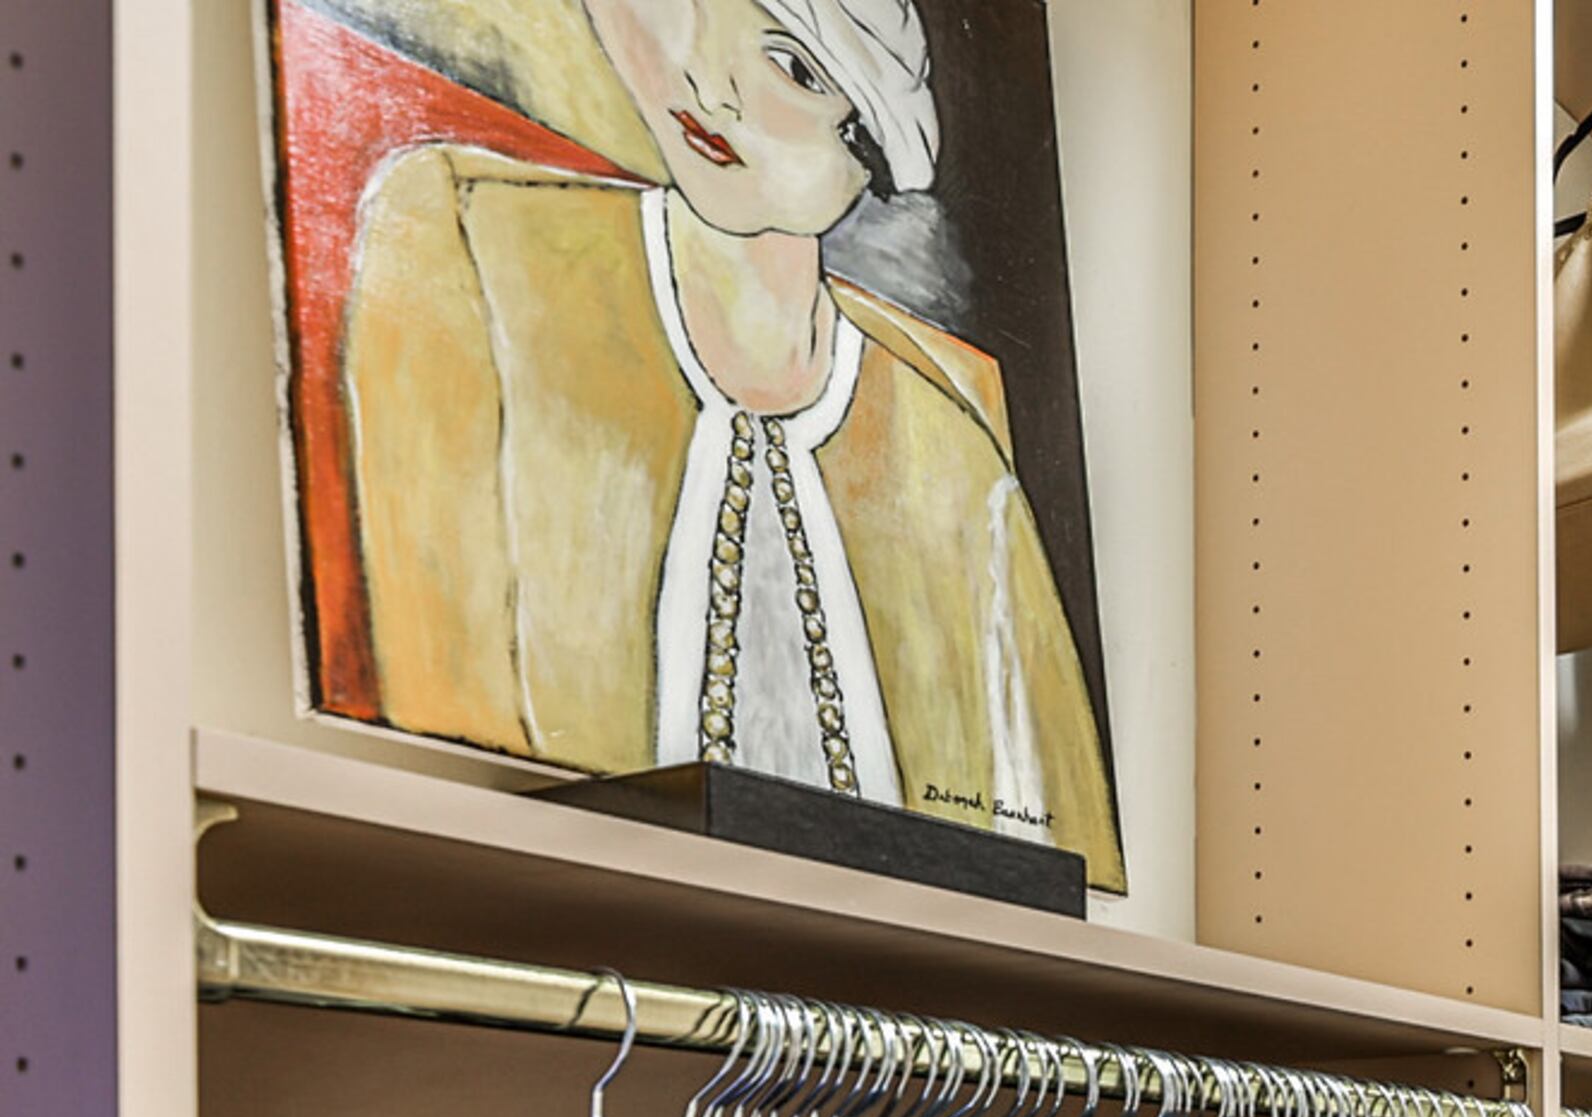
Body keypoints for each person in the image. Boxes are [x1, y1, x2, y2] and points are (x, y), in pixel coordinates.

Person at [340, 0, 1124, 890]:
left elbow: (1054, 843)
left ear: (868, 149)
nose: (708, 86)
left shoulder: (956, 459)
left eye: (793, 68)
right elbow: (437, 713)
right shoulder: (467, 244)